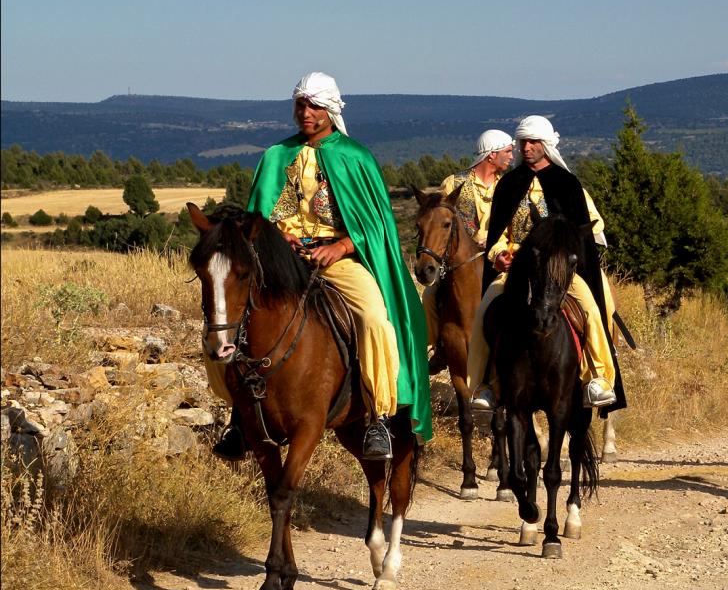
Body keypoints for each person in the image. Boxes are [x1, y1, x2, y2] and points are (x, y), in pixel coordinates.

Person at [213, 71, 432, 461]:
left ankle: (379, 416)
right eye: (300, 105)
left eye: (314, 105)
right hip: (281, 264)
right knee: (229, 319)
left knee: (373, 319)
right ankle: (239, 418)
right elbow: (255, 221)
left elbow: (376, 224)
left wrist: (343, 246)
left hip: (338, 261)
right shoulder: (275, 156)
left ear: (330, 109)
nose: (306, 112)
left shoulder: (354, 157)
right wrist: (277, 239)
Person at [467, 115, 627, 413]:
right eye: (523, 142)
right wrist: (498, 254)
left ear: (546, 145)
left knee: (591, 308)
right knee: (485, 311)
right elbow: (495, 234)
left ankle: (598, 378)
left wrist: (564, 255)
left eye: (533, 142)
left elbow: (587, 229)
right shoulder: (509, 185)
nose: (526, 147)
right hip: (516, 271)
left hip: (558, 272)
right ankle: (484, 384)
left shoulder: (567, 184)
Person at [422, 130, 514, 374]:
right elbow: (440, 218)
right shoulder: (453, 183)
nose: (511, 157)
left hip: (499, 257)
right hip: (461, 260)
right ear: (491, 155)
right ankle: (439, 348)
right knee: (429, 296)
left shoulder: (508, 186)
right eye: (507, 152)